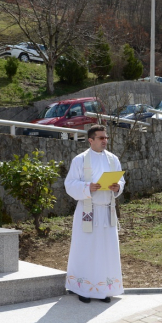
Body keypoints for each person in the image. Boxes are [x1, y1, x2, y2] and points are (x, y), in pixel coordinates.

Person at [64, 124, 125, 303]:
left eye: (106, 137)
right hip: (87, 212)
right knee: (86, 249)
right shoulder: (80, 160)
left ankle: (104, 289)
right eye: (101, 138)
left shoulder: (113, 159)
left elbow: (121, 180)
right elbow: (69, 184)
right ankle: (83, 289)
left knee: (107, 250)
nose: (105, 140)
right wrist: (87, 187)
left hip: (106, 211)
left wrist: (117, 187)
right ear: (90, 140)